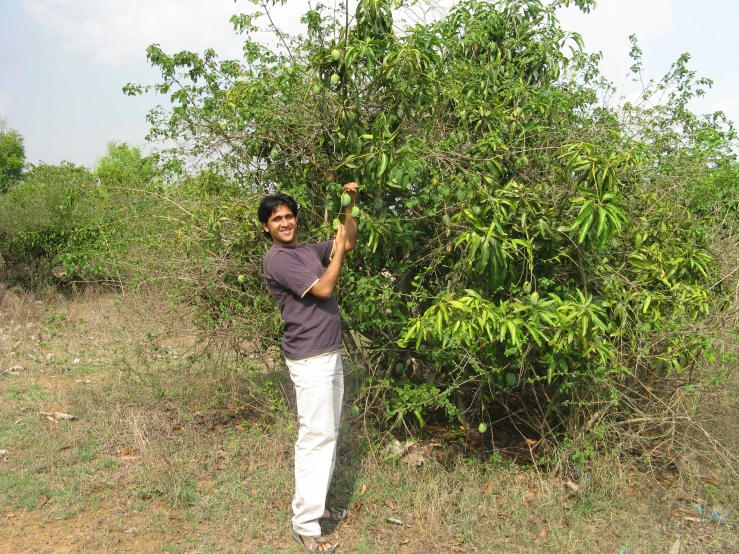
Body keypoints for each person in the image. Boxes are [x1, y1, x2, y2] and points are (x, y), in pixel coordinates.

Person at [258, 183, 358, 553]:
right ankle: (304, 524)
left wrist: (350, 206)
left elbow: (346, 242)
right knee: (315, 437)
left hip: (328, 352)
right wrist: (335, 256)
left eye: (288, 216)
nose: (285, 222)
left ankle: (317, 508)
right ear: (266, 228)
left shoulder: (305, 250)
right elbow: (325, 289)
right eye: (276, 219)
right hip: (310, 358)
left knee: (327, 433)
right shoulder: (279, 260)